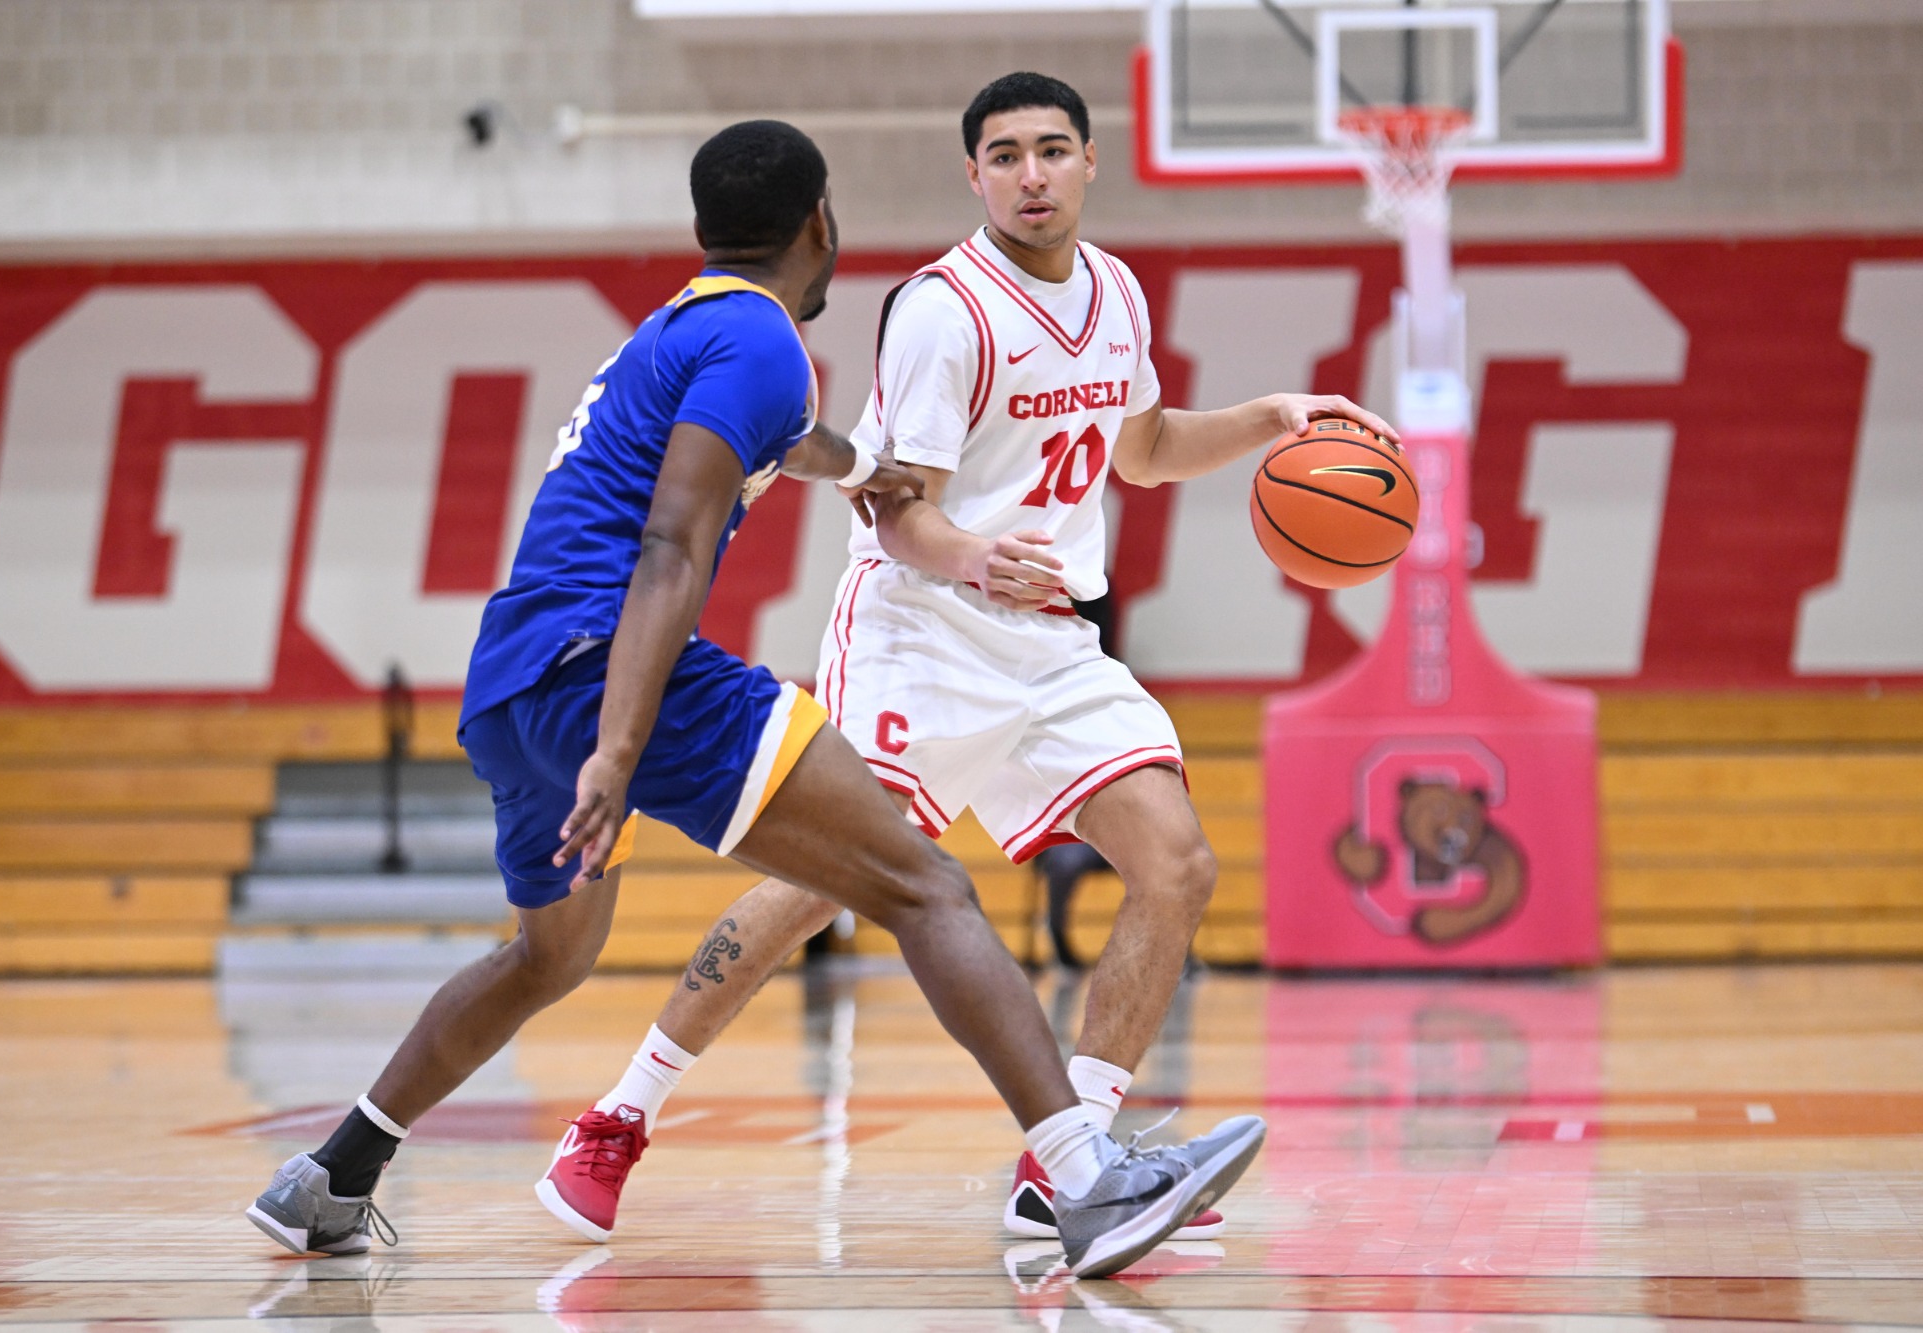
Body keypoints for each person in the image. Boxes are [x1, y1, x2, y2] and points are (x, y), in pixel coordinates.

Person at [242, 118, 1267, 1281]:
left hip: (509, 680)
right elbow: (674, 546)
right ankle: (1081, 1179)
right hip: (614, 667)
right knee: (925, 885)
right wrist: (617, 747)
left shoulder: (685, 329)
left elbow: (794, 442)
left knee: (545, 956)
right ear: (820, 224)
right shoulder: (766, 340)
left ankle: (329, 1175)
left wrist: (866, 469)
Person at [553, 74, 1395, 1247]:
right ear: (975, 176)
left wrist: (1266, 420)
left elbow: (1139, 451)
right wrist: (972, 563)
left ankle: (1071, 1162)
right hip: (918, 630)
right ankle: (617, 1117)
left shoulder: (1114, 292)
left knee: (1178, 863)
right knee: (818, 888)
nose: (1031, 175)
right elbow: (898, 513)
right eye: (1005, 156)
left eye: (1052, 151)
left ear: (1089, 162)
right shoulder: (945, 309)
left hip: (1047, 640)